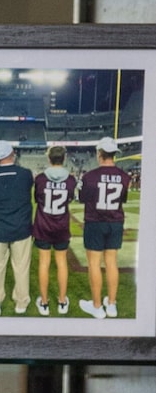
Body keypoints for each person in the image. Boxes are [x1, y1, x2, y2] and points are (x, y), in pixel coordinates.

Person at [79, 136, 132, 318]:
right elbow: (122, 200)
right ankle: (111, 304)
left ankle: (96, 306)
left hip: (95, 221)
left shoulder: (89, 176)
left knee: (94, 263)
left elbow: (83, 198)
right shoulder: (125, 177)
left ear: (100, 153)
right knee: (111, 263)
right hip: (115, 222)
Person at [0, 140, 35, 316]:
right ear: (12, 153)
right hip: (21, 228)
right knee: (21, 267)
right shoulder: (26, 174)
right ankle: (21, 302)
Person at [35, 144, 77, 316]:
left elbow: (37, 199)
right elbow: (70, 199)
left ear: (49, 158)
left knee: (44, 263)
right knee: (61, 263)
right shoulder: (71, 179)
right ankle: (62, 301)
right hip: (61, 225)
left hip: (43, 224)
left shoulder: (40, 179)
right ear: (64, 158)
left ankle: (44, 303)